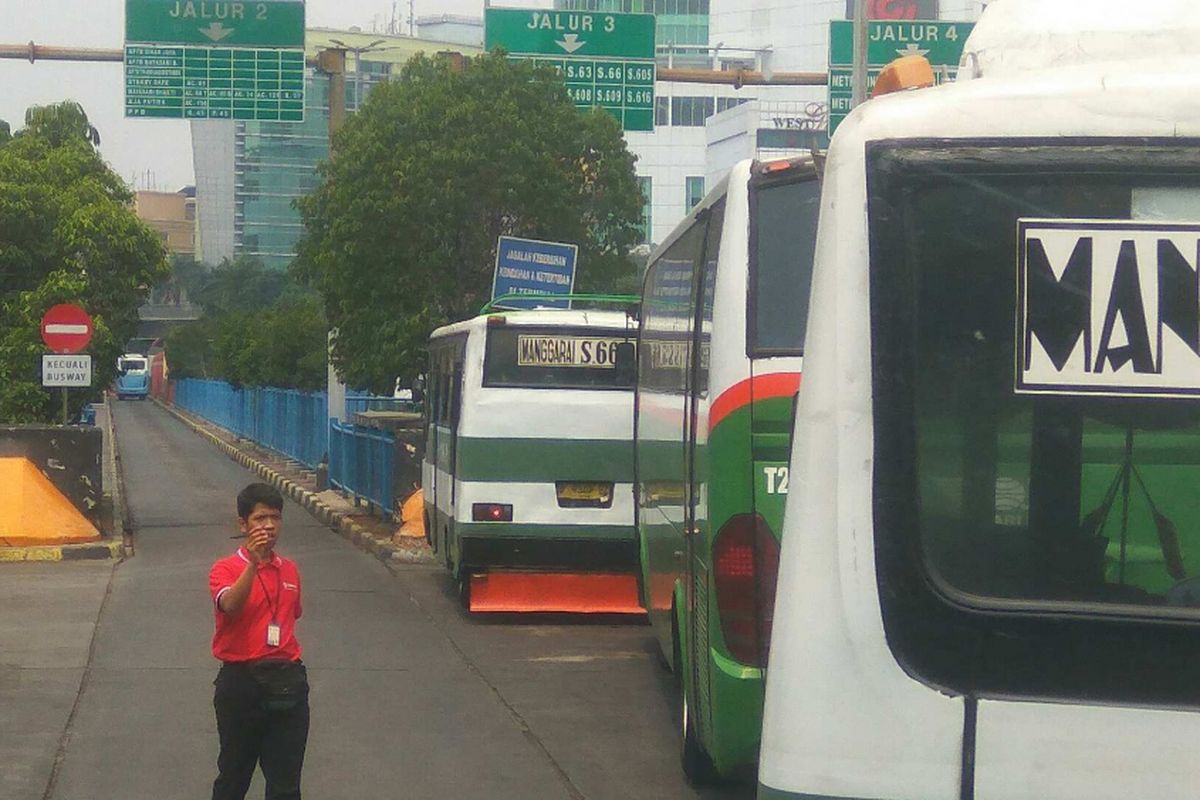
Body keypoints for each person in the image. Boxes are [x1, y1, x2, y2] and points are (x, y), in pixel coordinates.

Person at [208, 483, 309, 800]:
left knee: (286, 784)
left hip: (287, 682)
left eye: (275, 518)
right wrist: (253, 563)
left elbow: (294, 615)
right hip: (241, 685)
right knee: (234, 777)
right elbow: (230, 605)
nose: (268, 526)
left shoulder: (289, 569)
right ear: (243, 524)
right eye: (260, 518)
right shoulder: (224, 568)